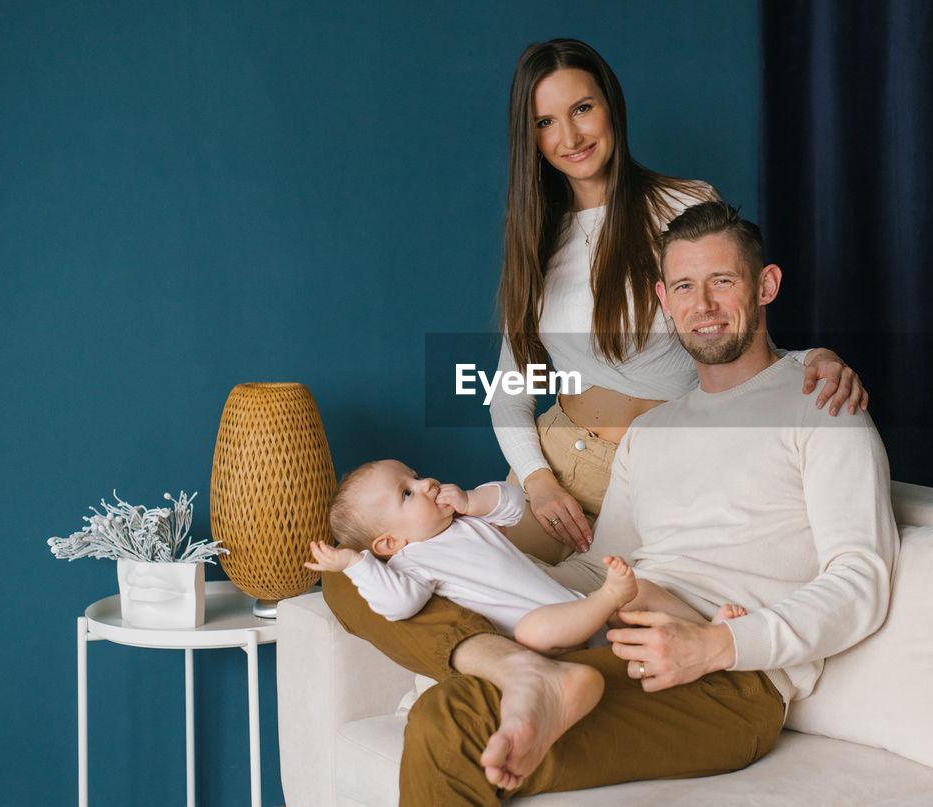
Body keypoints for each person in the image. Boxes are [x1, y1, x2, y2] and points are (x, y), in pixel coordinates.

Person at [328, 199, 898, 802]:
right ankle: (513, 668)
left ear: (765, 285)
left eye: (721, 282)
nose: (701, 306)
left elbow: (862, 579)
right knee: (353, 571)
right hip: (613, 632)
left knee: (452, 720)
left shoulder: (823, 405)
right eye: (684, 286)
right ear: (663, 298)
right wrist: (477, 564)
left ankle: (522, 676)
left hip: (727, 679)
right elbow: (602, 564)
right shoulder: (653, 431)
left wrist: (717, 644)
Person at [488, 38, 869, 564]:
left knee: (627, 624)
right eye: (545, 122)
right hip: (559, 466)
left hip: (668, 467)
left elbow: (734, 336)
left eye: (582, 109)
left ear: (610, 107)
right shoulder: (533, 238)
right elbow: (510, 390)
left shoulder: (684, 203)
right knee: (460, 591)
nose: (570, 136)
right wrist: (537, 481)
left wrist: (813, 359)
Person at [305, 460, 746, 661]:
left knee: (645, 591)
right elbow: (397, 604)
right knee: (540, 626)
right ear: (387, 544)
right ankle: (610, 599)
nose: (425, 485)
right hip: (542, 637)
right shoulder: (412, 565)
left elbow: (516, 504)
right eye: (407, 493)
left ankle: (709, 631)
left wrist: (474, 500)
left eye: (415, 477)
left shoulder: (461, 520)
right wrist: (354, 565)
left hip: (577, 607)